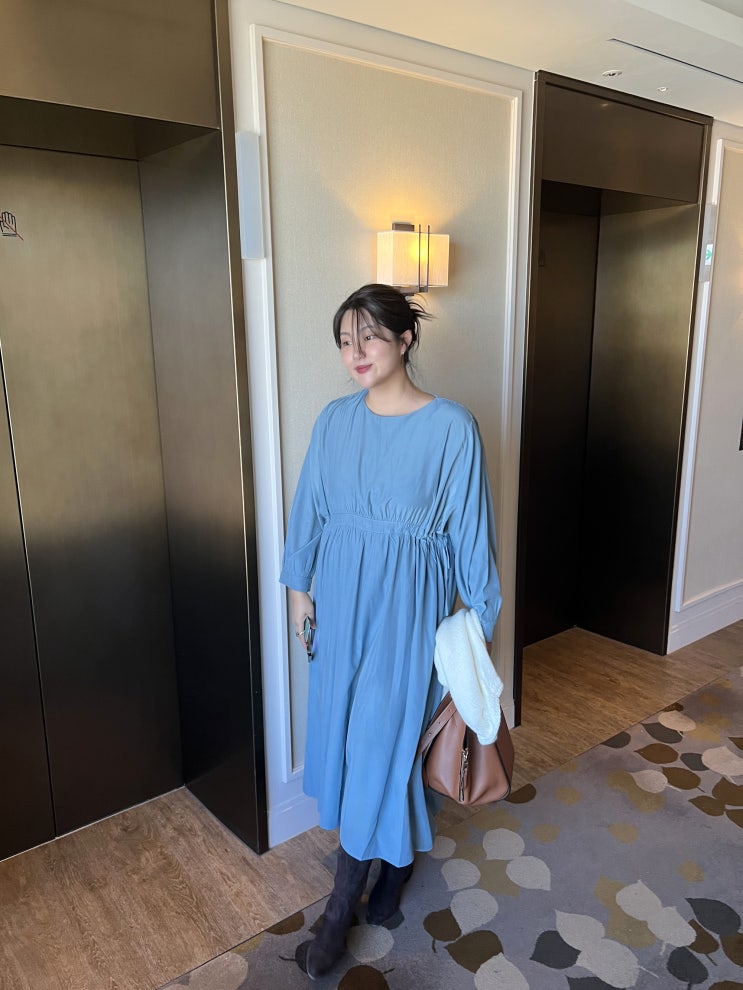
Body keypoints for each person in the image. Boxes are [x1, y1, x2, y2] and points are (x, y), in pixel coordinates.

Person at [280, 283, 502, 980]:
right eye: (345, 341)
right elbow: (309, 510)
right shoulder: (334, 421)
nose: (355, 353)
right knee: (357, 743)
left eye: (369, 338)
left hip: (410, 617)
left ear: (405, 339)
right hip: (342, 611)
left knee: (384, 741)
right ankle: (395, 869)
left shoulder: (451, 428)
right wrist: (298, 591)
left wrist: (476, 631)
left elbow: (472, 537)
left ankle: (337, 912)